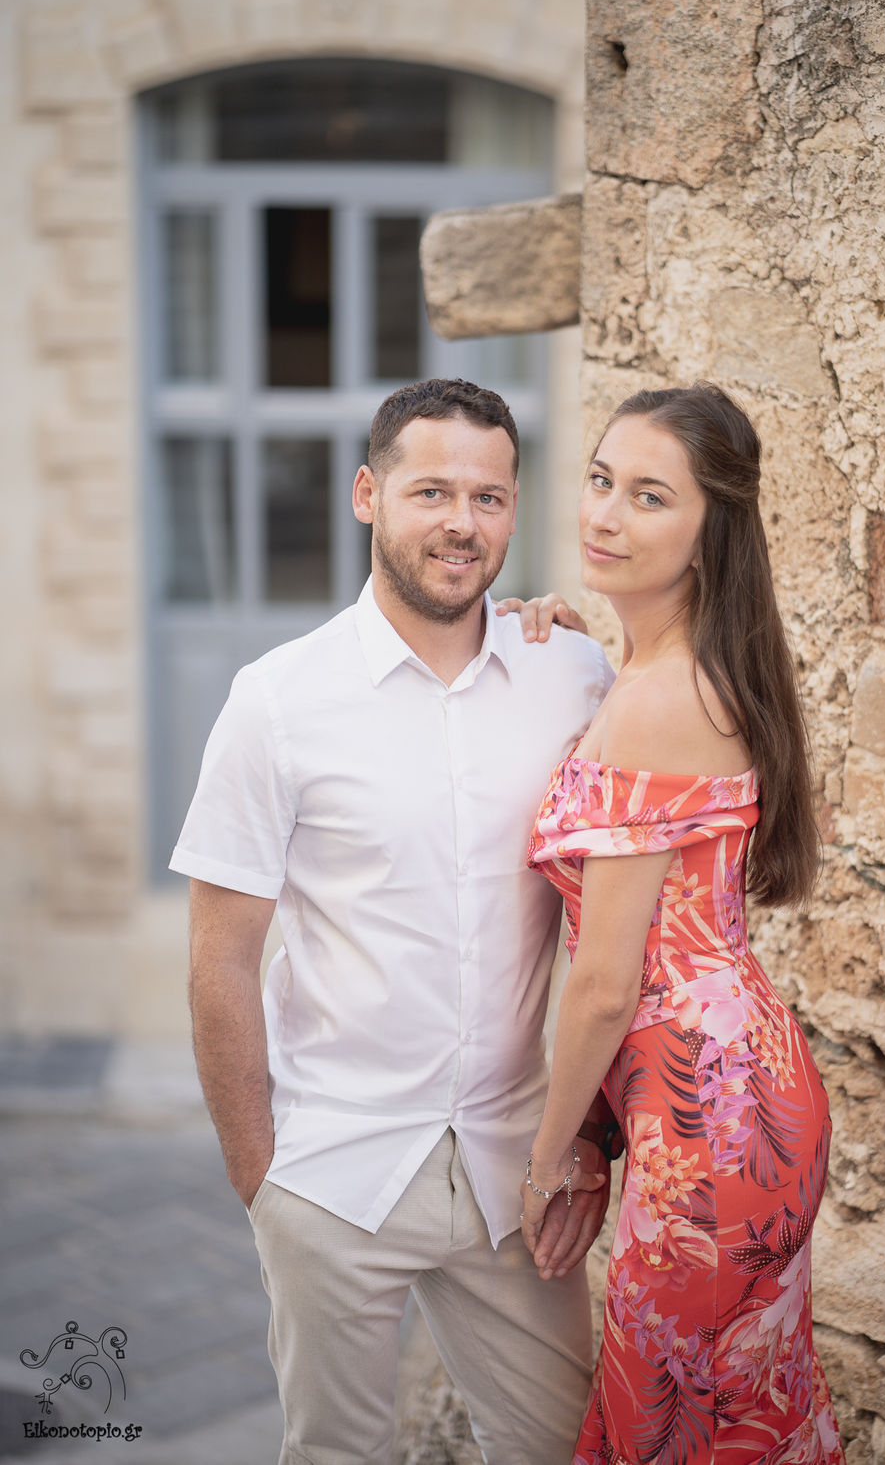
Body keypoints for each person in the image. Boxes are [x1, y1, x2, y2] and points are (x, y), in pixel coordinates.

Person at [169, 377, 617, 1465]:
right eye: (431, 493)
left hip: (517, 1171)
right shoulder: (277, 700)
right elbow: (220, 960)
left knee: (565, 1446)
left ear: (513, 510)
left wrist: (586, 1134)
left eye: (488, 497)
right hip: (332, 1168)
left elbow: (613, 923)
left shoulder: (572, 673)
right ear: (368, 494)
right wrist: (259, 1177)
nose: (461, 523)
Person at [520, 384, 845, 1464]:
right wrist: (571, 651)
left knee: (671, 1434)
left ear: (713, 531)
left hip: (706, 1132)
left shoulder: (659, 698)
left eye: (649, 496)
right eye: (600, 480)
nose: (605, 515)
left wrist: (549, 1158)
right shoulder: (666, 673)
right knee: (736, 1425)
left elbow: (605, 985)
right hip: (740, 1102)